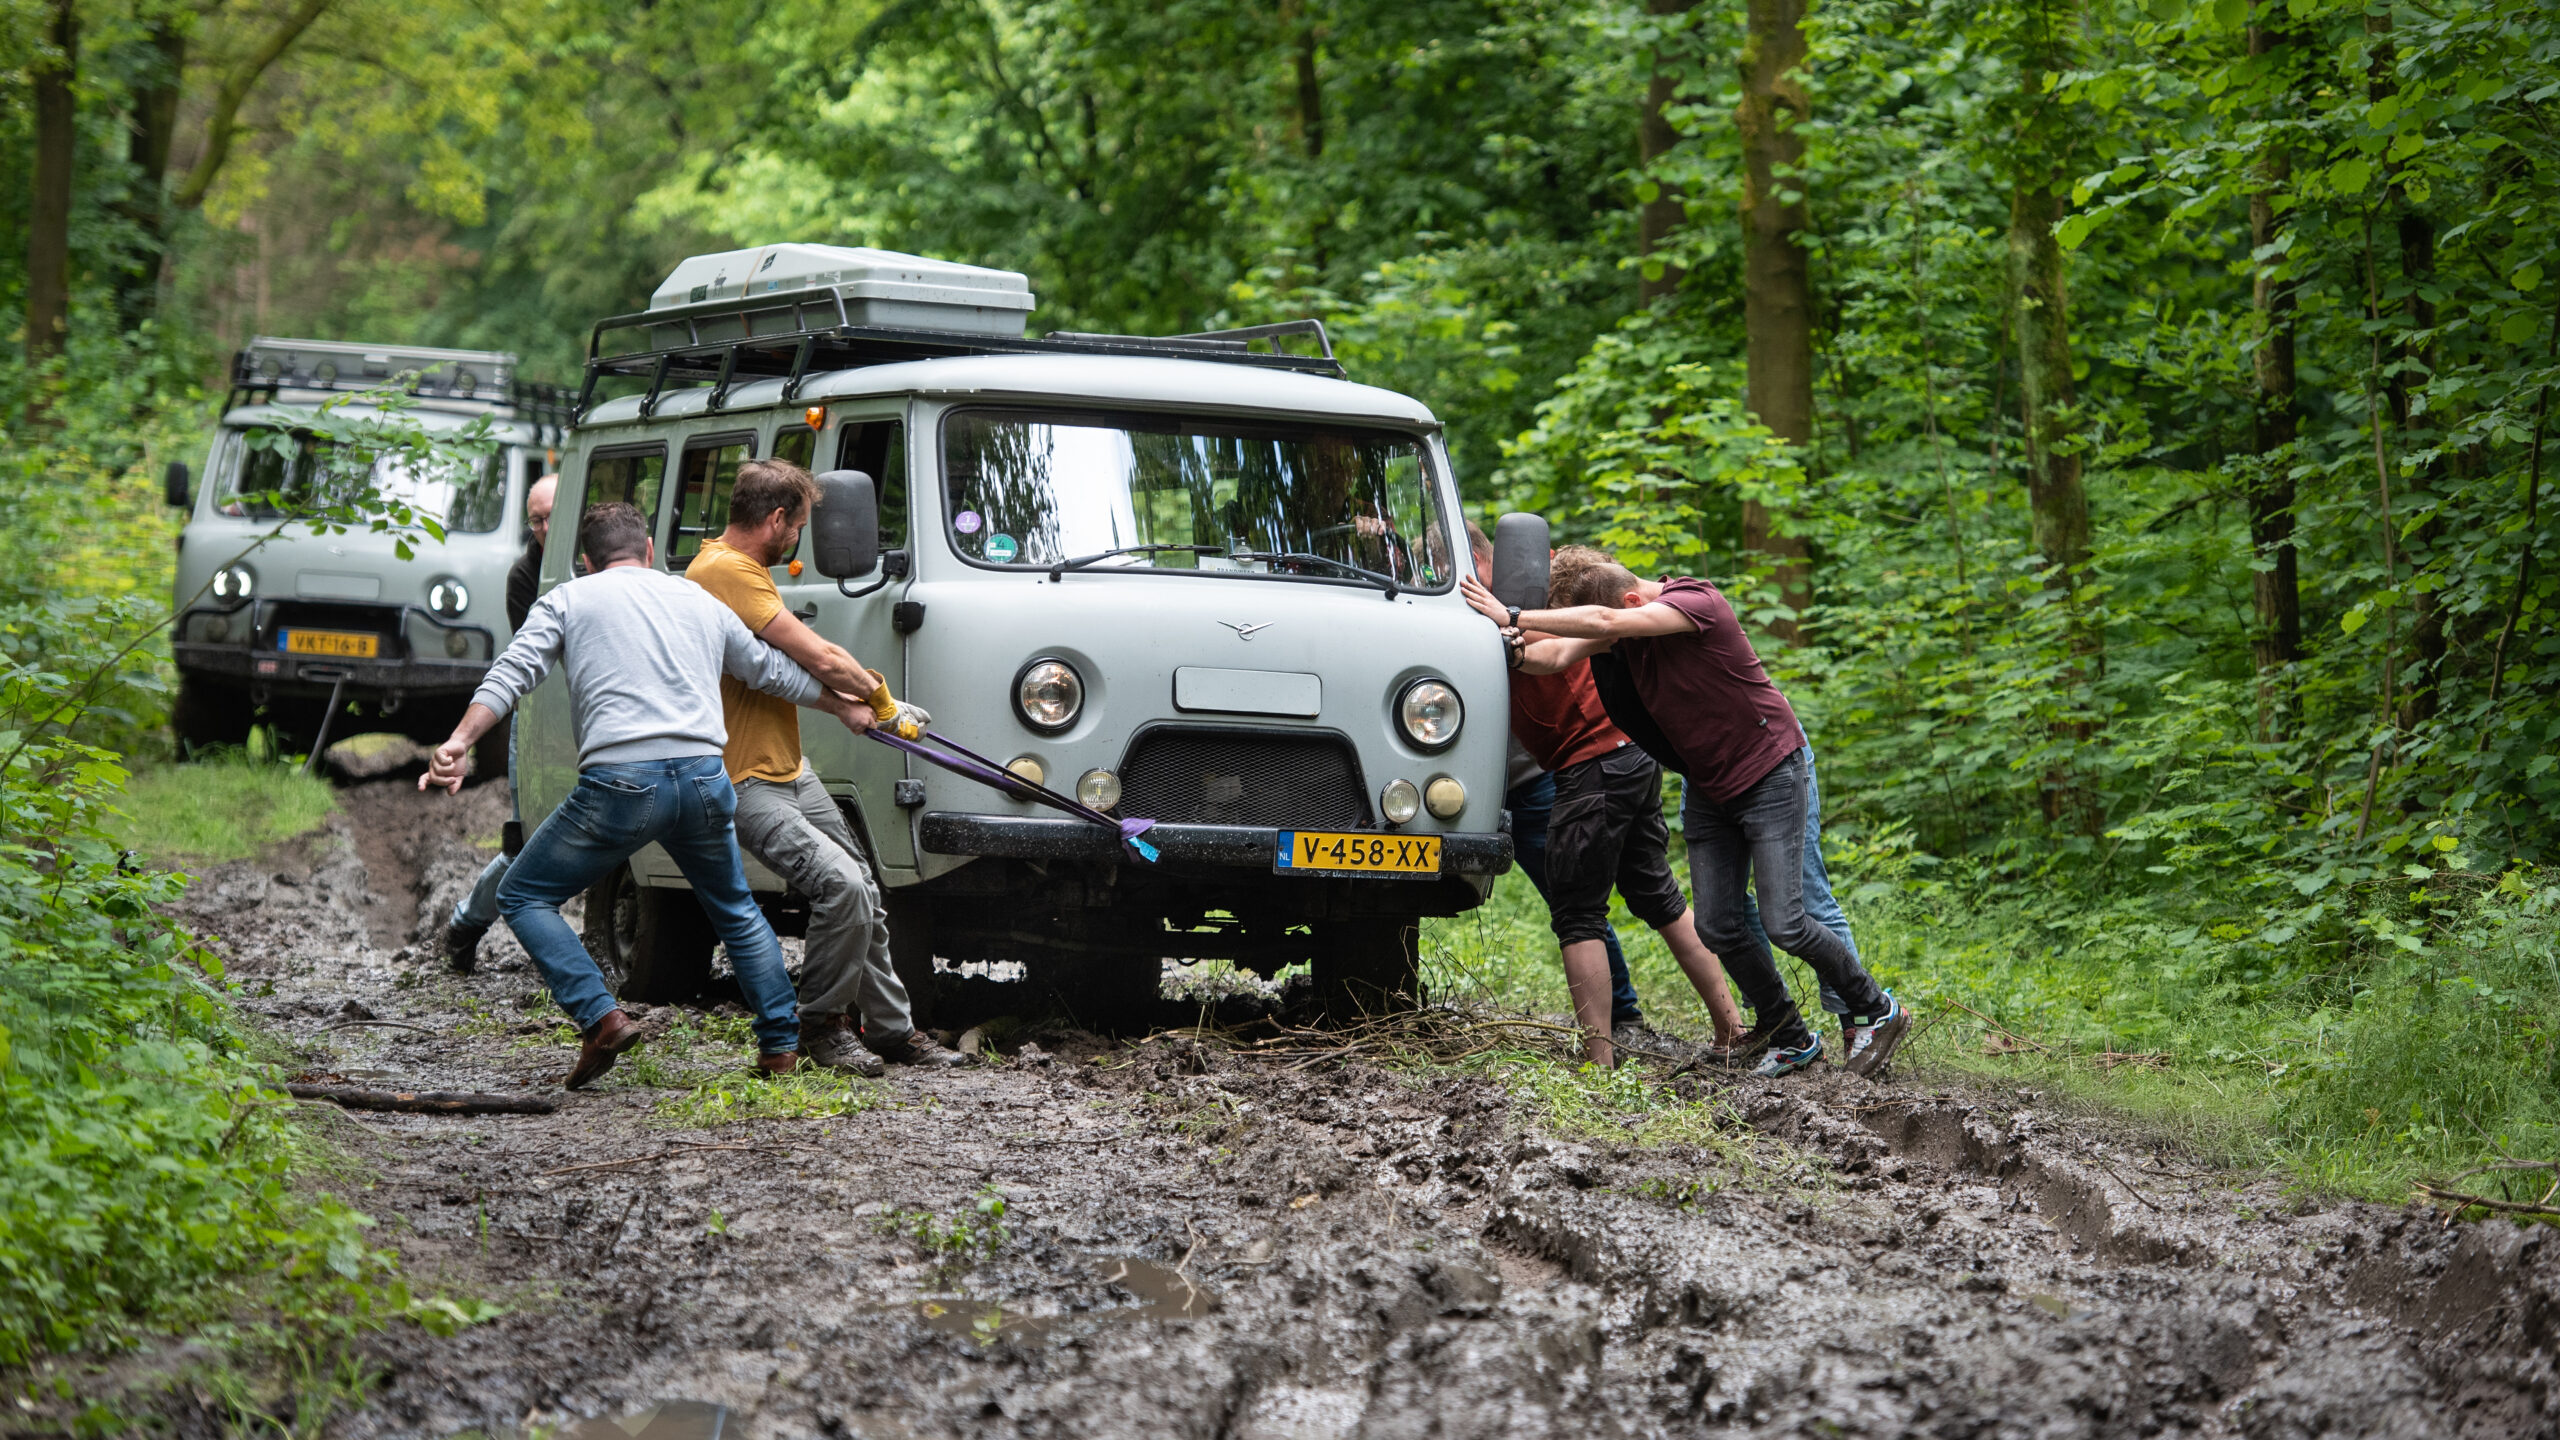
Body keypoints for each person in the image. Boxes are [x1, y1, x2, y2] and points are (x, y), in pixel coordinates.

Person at [418, 502, 876, 1089]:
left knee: (524, 894)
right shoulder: (697, 600)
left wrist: (459, 741)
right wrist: (843, 706)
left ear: (585, 561)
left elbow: (513, 672)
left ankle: (600, 1018)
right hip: (707, 780)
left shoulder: (566, 599)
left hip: (622, 786)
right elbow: (770, 671)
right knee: (734, 908)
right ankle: (780, 1049)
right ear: (651, 551)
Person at [1460, 548, 1910, 1080]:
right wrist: (1510, 648)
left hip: (1768, 772)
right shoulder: (1621, 631)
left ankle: (1876, 1007)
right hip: (1709, 785)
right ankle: (1789, 1036)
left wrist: (1511, 614)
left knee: (1786, 922)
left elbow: (1605, 618)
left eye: (1616, 619)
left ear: (1631, 602)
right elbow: (1554, 657)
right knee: (1718, 924)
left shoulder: (1696, 602)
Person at [686, 459, 963, 1076]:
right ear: (777, 518)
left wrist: (859, 704)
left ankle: (892, 1031)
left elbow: (795, 667)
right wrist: (879, 702)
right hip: (742, 777)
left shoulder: (741, 569)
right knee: (840, 887)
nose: (799, 539)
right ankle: (820, 1027)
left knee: (863, 890)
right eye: (800, 525)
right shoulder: (723, 572)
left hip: (787, 767)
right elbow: (819, 657)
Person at [1460, 527, 1743, 1068]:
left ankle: (1600, 1062)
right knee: (1659, 898)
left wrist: (1507, 621)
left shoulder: (1532, 593)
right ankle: (1731, 1029)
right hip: (1624, 756)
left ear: (1477, 558)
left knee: (1577, 914)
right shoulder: (1510, 600)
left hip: (1594, 763)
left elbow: (1554, 649)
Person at [444, 473, 556, 971]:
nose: (547, 527)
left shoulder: (611, 557)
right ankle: (465, 923)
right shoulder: (524, 576)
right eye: (537, 519)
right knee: (524, 845)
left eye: (555, 514)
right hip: (540, 722)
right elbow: (530, 664)